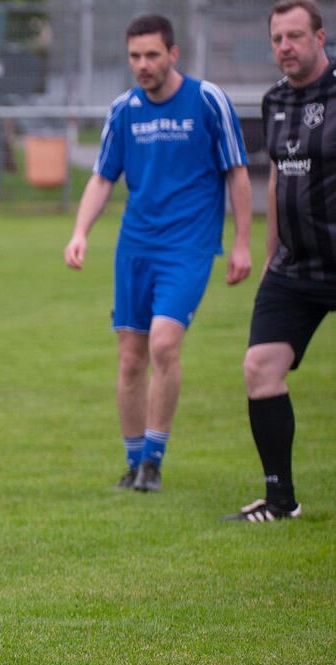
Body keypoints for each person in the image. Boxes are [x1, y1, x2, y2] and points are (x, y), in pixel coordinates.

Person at [63, 14, 252, 492]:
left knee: (164, 343)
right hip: (136, 248)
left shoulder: (208, 101)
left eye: (151, 55)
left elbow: (237, 172)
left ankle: (154, 460)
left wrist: (244, 244)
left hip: (188, 247)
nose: (142, 65)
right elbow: (104, 176)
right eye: (134, 56)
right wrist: (80, 231)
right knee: (130, 358)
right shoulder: (124, 109)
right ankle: (134, 463)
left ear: (173, 54)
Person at [223, 0, 336, 523]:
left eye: (295, 36)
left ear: (321, 37)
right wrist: (269, 257)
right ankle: (280, 500)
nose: (285, 47)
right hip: (294, 267)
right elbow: (280, 185)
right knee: (259, 367)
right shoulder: (273, 102)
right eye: (277, 39)